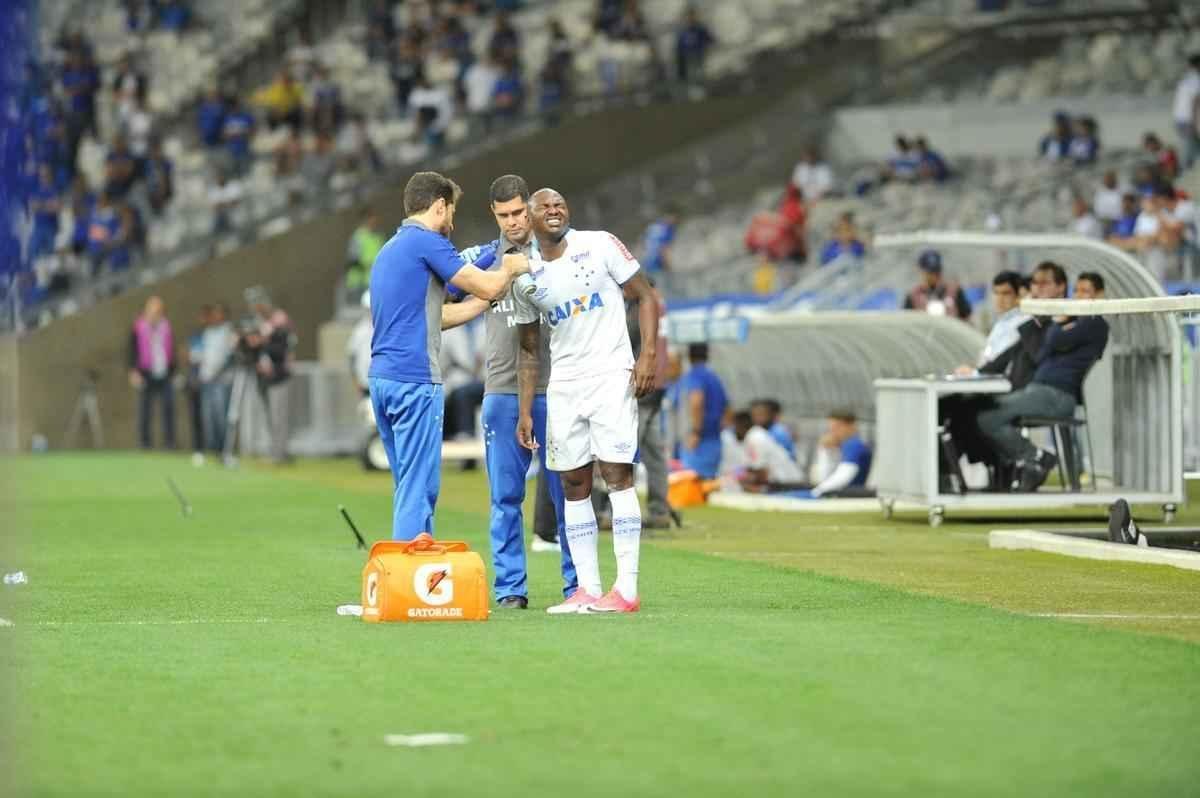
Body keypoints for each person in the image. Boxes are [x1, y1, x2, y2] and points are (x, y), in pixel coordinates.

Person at [513, 187, 660, 614]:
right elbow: (528, 347)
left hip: (610, 374)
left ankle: (627, 590)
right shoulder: (525, 275)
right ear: (531, 218)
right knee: (572, 483)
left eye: (561, 204)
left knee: (616, 474)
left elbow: (645, 295)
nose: (555, 210)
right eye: (546, 207)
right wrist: (525, 409)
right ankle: (588, 591)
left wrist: (646, 354)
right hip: (564, 385)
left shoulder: (599, 244)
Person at [368, 171, 531, 541]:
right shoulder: (427, 241)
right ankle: (408, 583)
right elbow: (489, 283)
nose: (452, 224)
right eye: (451, 213)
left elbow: (437, 316)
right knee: (419, 488)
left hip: (383, 378)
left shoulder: (390, 250)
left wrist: (483, 301)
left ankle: (415, 570)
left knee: (409, 484)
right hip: (414, 380)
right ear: (439, 206)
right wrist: (508, 268)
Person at [448, 175, 578, 608]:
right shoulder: (480, 260)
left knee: (568, 493)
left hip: (560, 387)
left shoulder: (561, 252)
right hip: (503, 391)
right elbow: (435, 293)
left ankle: (577, 585)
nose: (514, 222)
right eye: (504, 215)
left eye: (520, 212)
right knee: (505, 496)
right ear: (494, 215)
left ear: (532, 208)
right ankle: (510, 590)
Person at [975, 281, 1109, 492]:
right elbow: (1042, 353)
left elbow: (1053, 340)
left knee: (986, 416)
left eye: (1086, 290)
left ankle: (1035, 458)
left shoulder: (1095, 323)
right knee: (981, 413)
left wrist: (1057, 325)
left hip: (1056, 395)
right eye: (1077, 290)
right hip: (1041, 391)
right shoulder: (1073, 322)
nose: (1079, 295)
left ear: (1099, 295)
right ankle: (1025, 464)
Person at [128, 295, 176, 449]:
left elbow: (172, 349)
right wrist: (133, 371)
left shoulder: (166, 326)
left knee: (168, 407)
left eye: (158, 310)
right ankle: (145, 443)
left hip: (165, 372)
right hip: (146, 372)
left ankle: (170, 442)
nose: (155, 313)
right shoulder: (139, 326)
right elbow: (131, 350)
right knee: (145, 410)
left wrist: (174, 370)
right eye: (152, 309)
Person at [678, 343, 729, 479]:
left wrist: (696, 432)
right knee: (708, 483)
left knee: (691, 483)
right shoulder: (715, 378)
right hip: (715, 439)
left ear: (689, 357)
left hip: (699, 441)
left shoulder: (695, 376)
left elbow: (696, 401)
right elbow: (727, 408)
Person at [726, 411, 804, 492]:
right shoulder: (754, 435)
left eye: (734, 427)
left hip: (788, 483)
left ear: (740, 425)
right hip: (782, 481)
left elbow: (761, 471)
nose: (733, 431)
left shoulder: (755, 438)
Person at [806, 410, 872, 497]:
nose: (833, 431)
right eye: (831, 427)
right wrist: (825, 451)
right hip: (837, 493)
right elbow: (823, 478)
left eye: (837, 426)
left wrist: (817, 492)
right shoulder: (843, 447)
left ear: (851, 426)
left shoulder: (854, 445)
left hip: (845, 495)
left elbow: (843, 476)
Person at [199, 303, 236, 455]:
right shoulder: (208, 332)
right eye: (214, 314)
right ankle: (212, 447)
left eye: (219, 314)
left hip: (222, 380)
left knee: (221, 415)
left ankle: (224, 448)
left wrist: (217, 371)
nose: (216, 317)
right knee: (208, 416)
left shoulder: (229, 331)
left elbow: (229, 356)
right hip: (207, 380)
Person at [903, 250, 972, 320]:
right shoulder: (913, 296)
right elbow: (906, 322)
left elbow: (966, 317)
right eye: (930, 272)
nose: (934, 276)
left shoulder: (954, 291)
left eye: (936, 271)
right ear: (921, 270)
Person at [345, 208, 385, 304]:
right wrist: (368, 265)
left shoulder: (378, 237)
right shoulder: (358, 237)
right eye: (371, 219)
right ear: (364, 220)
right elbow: (352, 261)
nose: (374, 222)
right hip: (358, 284)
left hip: (373, 283)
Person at [1172, 53, 1200, 170]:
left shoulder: (1185, 79)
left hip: (1179, 118)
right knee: (1190, 153)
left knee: (1190, 150)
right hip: (1189, 120)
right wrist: (1195, 124)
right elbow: (1195, 101)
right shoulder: (1196, 79)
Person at [675, 6, 713, 83]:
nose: (691, 18)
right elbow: (679, 50)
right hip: (689, 60)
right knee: (693, 76)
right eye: (689, 16)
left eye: (693, 16)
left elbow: (710, 40)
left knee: (700, 74)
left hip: (700, 57)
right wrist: (681, 70)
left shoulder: (701, 29)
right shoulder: (683, 33)